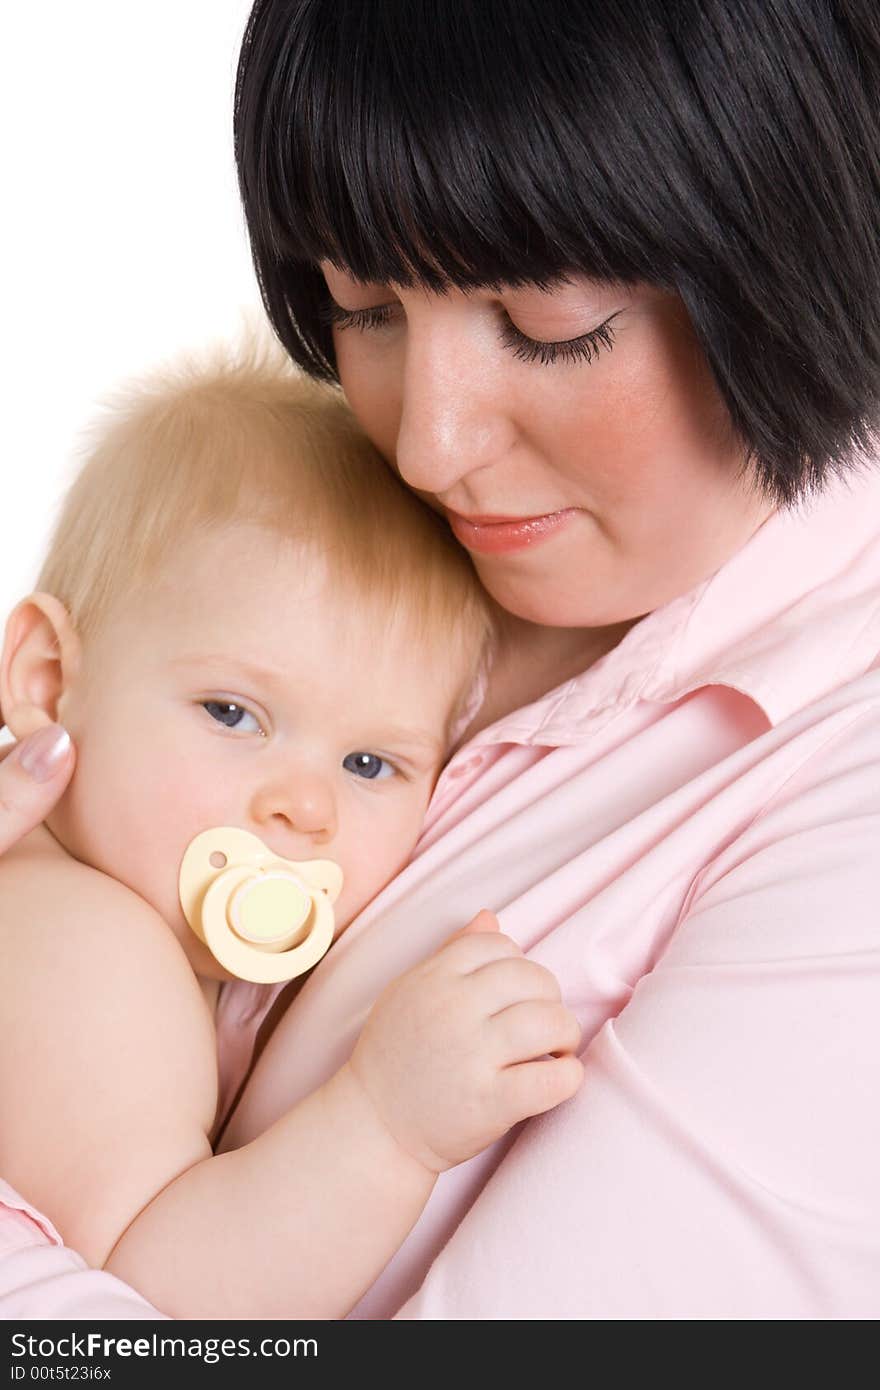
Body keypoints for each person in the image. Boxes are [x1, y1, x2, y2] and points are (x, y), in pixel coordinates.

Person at [1, 0, 879, 1319]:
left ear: (786, 241)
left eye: (550, 321)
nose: (425, 447)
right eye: (361, 305)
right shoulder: (306, 524)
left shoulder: (838, 812)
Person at [0, 345, 583, 1320]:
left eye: (369, 765)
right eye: (232, 712)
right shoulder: (84, 948)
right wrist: (386, 1122)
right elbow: (159, 1308)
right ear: (50, 679)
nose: (303, 809)